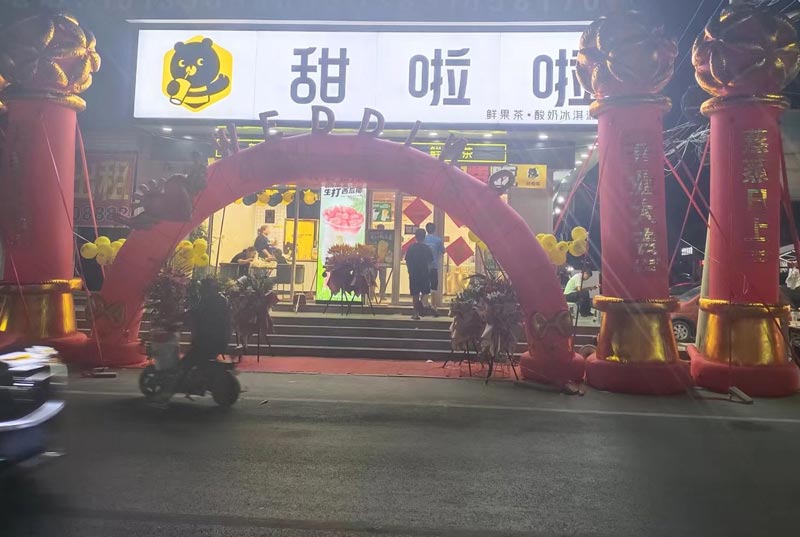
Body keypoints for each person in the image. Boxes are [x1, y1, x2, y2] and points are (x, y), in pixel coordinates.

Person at [405, 228, 434, 320]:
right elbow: (430, 262)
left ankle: (416, 313)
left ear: (415, 237)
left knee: (415, 294)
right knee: (425, 292)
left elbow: (407, 261)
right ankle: (421, 305)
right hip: (424, 273)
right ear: (424, 237)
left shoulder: (411, 248)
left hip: (414, 274)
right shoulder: (427, 248)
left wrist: (410, 271)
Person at [423, 222, 445, 310]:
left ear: (426, 229)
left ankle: (424, 304)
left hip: (424, 266)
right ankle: (434, 305)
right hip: (434, 266)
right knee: (434, 286)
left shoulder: (423, 239)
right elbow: (443, 251)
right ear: (434, 230)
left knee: (424, 285)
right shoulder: (438, 240)